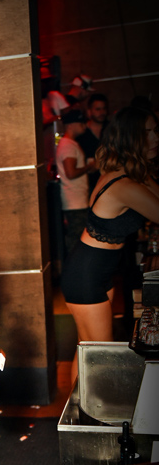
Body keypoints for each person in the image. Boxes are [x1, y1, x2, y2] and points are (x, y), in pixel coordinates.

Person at [60, 106, 159, 381]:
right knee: (98, 354)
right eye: (147, 133)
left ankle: (77, 408)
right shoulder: (124, 185)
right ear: (131, 138)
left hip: (96, 270)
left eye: (156, 131)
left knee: (86, 350)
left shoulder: (127, 174)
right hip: (87, 274)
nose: (155, 138)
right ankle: (86, 407)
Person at [56, 109, 98, 254]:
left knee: (79, 239)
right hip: (74, 202)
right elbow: (71, 173)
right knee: (77, 241)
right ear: (70, 125)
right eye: (80, 123)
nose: (84, 126)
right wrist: (89, 167)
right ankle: (74, 267)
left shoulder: (70, 144)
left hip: (77, 201)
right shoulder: (68, 145)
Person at [76, 93, 109, 195]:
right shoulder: (82, 132)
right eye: (98, 109)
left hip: (108, 181)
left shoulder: (111, 129)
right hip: (88, 184)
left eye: (104, 109)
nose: (101, 112)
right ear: (89, 111)